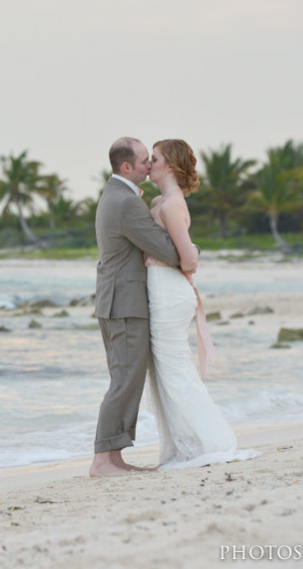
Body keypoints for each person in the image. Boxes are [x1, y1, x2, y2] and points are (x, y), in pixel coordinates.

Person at [145, 139, 258, 468]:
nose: (148, 163)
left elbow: (188, 258)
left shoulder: (170, 205)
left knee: (176, 371)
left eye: (154, 159)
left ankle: (212, 442)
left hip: (169, 291)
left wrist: (190, 254)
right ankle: (188, 444)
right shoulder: (159, 200)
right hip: (162, 289)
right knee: (168, 372)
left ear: (169, 165)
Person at [90, 137, 183, 477]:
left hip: (116, 300)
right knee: (126, 379)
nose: (149, 165)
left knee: (125, 377)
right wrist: (192, 248)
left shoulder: (115, 195)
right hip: (125, 303)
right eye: (144, 160)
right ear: (126, 167)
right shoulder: (126, 203)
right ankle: (102, 461)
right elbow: (167, 250)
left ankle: (114, 459)